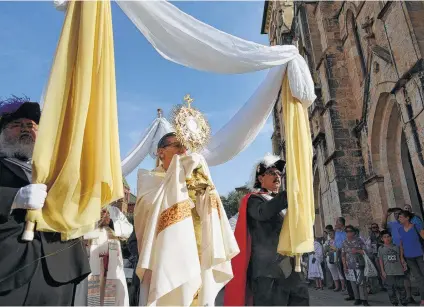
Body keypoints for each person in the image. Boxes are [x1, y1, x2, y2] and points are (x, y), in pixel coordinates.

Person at [0, 96, 90, 305]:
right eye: (16, 125)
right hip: (7, 266)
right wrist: (13, 198)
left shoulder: (60, 169)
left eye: (31, 125)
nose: (25, 129)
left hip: (59, 270)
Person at [134, 132, 238, 306]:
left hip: (198, 252)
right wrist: (178, 181)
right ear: (161, 152)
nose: (184, 151)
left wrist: (204, 188)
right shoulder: (150, 180)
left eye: (186, 147)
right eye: (177, 146)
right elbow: (149, 211)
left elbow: (213, 214)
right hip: (166, 258)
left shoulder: (195, 175)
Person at [224, 153, 309, 306]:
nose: (277, 176)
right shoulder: (254, 200)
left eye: (279, 173)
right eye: (271, 173)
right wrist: (288, 193)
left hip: (292, 268)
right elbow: (264, 213)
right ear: (260, 178)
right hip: (267, 272)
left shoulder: (286, 203)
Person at [75, 205, 133, 306]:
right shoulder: (86, 207)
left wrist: (110, 222)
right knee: (92, 299)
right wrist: (97, 221)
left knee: (114, 299)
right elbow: (78, 232)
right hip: (93, 264)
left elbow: (128, 230)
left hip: (113, 265)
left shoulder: (114, 211)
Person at [398, 210, 424, 306]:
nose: (399, 219)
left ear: (407, 218)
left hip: (420, 255)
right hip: (409, 257)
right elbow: (401, 245)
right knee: (419, 278)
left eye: (401, 217)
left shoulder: (416, 226)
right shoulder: (400, 229)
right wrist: (402, 258)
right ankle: (423, 299)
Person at [342, 225, 369, 306]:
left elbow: (365, 251)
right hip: (349, 265)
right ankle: (357, 298)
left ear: (354, 232)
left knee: (361, 282)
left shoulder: (359, 241)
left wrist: (357, 250)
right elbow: (343, 255)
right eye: (347, 231)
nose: (348, 233)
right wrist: (344, 266)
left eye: (350, 231)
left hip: (359, 264)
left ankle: (364, 299)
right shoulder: (344, 242)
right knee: (353, 283)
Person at [378, 230, 408, 306]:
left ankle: (403, 300)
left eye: (388, 236)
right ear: (382, 239)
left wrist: (404, 265)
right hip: (388, 272)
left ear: (391, 237)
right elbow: (380, 260)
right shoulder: (381, 248)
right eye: (384, 237)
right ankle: (394, 302)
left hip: (399, 271)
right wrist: (382, 271)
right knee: (390, 289)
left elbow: (401, 258)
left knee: (401, 287)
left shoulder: (396, 247)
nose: (387, 238)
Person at [335, 217, 356, 301]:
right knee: (344, 273)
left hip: (347, 252)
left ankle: (356, 293)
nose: (335, 224)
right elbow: (337, 243)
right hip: (339, 252)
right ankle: (350, 293)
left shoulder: (347, 231)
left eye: (337, 222)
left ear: (341, 223)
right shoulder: (337, 232)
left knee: (350, 272)